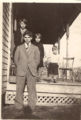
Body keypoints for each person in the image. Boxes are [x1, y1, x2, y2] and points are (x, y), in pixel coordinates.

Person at [14, 31, 40, 114]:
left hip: (31, 72)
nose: (27, 39)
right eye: (25, 37)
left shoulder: (35, 48)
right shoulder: (19, 48)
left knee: (31, 90)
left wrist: (33, 66)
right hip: (21, 71)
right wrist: (20, 66)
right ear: (23, 38)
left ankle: (31, 107)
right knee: (19, 89)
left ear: (31, 38)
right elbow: (15, 59)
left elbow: (38, 59)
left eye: (29, 37)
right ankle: (18, 107)